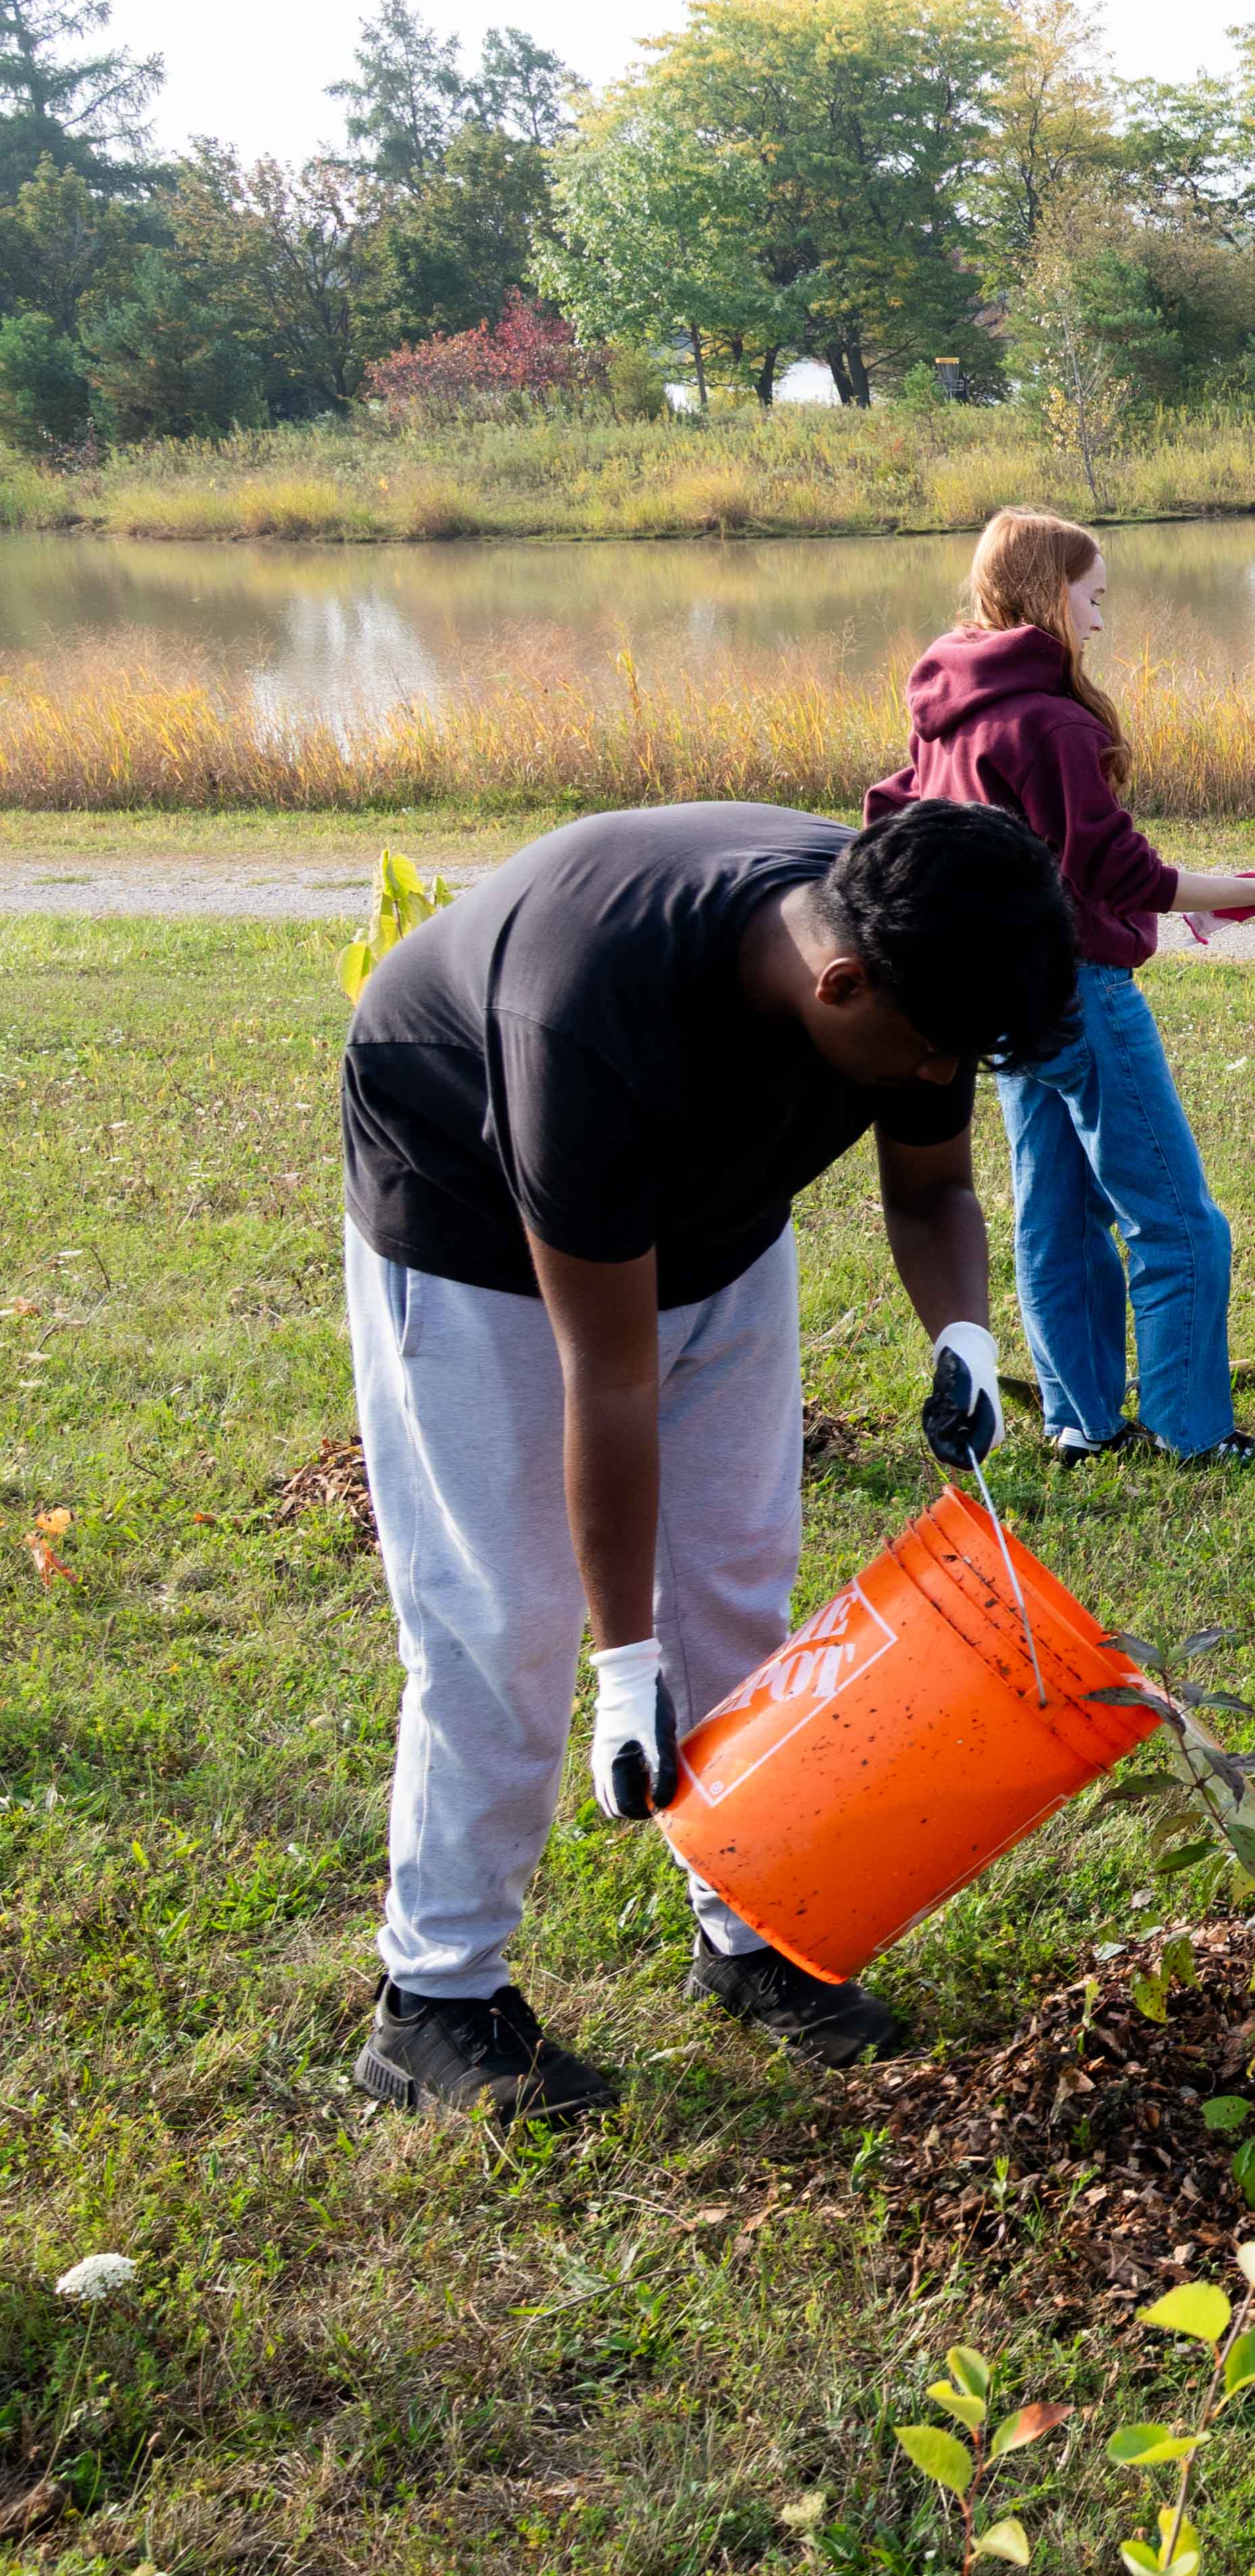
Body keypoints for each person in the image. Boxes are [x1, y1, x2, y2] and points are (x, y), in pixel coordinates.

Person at [341, 799, 1082, 2116]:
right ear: (840, 984)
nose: (933, 1082)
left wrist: (963, 1337)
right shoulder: (591, 1012)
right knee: (502, 1613)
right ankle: (433, 2001)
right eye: (927, 1057)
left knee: (739, 1572)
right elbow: (610, 1374)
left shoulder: (920, 952)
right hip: (473, 1223)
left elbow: (929, 1191)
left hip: (719, 1223)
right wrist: (624, 1668)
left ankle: (752, 1925)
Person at [868, 506, 1255, 1466]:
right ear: (1048, 593)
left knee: (1057, 1214)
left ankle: (1082, 1422)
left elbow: (896, 819)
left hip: (1004, 996)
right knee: (1176, 1220)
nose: (1102, 618)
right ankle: (1193, 1435)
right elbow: (1119, 872)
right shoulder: (1049, 720)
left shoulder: (950, 707)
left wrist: (1182, 903)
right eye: (1093, 596)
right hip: (1080, 991)